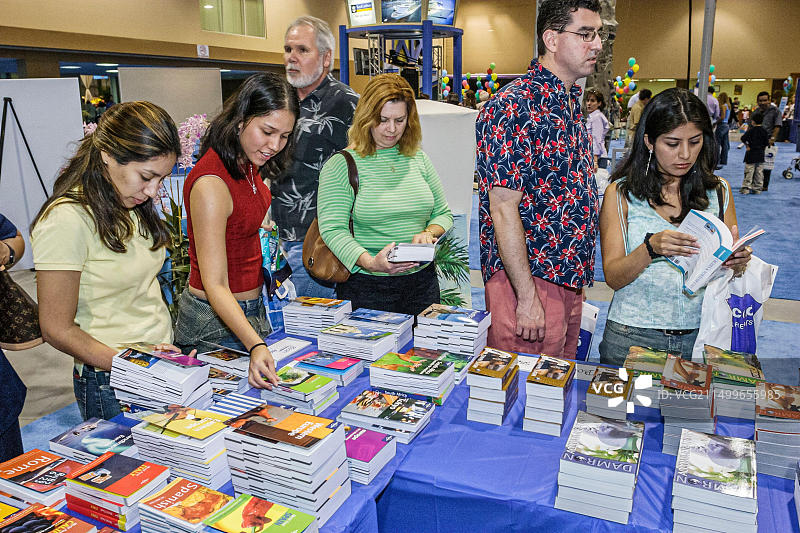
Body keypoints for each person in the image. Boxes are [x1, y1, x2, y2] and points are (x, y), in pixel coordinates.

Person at [30, 101, 183, 420]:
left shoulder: (132, 204)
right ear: (107, 156)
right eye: (146, 176)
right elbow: (56, 328)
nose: (154, 191)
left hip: (149, 365)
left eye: (161, 179)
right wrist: (129, 363)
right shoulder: (67, 220)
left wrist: (151, 354)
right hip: (109, 378)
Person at [475, 0, 602, 357]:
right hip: (529, 281)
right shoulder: (514, 105)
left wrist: (575, 278)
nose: (597, 44)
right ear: (552, 39)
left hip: (566, 277)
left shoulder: (567, 102)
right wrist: (527, 296)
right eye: (585, 34)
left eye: (599, 34)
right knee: (524, 396)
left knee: (556, 395)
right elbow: (502, 209)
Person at [598, 88, 752, 366]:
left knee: (693, 411)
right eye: (672, 143)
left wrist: (738, 261)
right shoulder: (621, 193)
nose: (685, 154)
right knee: (624, 410)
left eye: (694, 142)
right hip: (632, 336)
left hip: (702, 336)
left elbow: (731, 267)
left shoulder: (719, 191)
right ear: (649, 142)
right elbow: (614, 277)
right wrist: (650, 248)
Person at [175, 73, 299, 390]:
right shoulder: (212, 183)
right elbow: (215, 283)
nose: (275, 145)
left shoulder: (247, 163)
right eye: (267, 131)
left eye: (285, 136)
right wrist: (255, 344)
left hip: (250, 309)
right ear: (241, 119)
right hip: (214, 319)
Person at [317, 73, 453, 316]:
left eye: (399, 120)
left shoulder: (418, 158)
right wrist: (370, 263)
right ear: (366, 118)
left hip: (422, 284)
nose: (392, 129)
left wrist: (428, 233)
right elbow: (332, 230)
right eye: (382, 120)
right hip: (368, 287)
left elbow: (442, 214)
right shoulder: (342, 165)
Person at [271, 16, 359, 299]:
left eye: (302, 50)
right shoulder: (279, 100)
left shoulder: (346, 103)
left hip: (316, 243)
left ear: (326, 58)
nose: (291, 58)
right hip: (273, 241)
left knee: (313, 331)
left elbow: (364, 170)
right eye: (288, 50)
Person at [755, 91, 782, 191]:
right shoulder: (756, 111)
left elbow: (777, 126)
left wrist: (772, 139)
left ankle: (764, 185)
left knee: (767, 164)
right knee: (754, 164)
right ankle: (755, 183)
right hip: (756, 141)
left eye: (765, 100)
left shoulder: (775, 111)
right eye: (760, 101)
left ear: (769, 100)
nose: (762, 103)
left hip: (768, 141)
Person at [740, 109, 769, 194]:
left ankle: (746, 188)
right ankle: (757, 188)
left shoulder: (751, 131)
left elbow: (743, 138)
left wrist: (747, 146)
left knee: (749, 171)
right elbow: (766, 143)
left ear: (753, 122)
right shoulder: (764, 131)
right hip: (760, 154)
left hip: (751, 154)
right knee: (759, 172)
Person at [585, 88, 610, 170]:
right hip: (594, 156)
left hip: (597, 158)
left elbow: (596, 139)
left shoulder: (596, 117)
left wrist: (595, 161)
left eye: (592, 101)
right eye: (588, 100)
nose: (589, 103)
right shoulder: (594, 116)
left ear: (599, 103)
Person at [715, 92, 731, 168]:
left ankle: (717, 162)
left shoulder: (723, 106)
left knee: (717, 144)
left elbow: (722, 117)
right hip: (726, 125)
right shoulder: (728, 106)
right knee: (725, 144)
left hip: (721, 125)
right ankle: (724, 160)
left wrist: (715, 122)